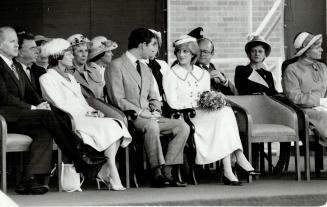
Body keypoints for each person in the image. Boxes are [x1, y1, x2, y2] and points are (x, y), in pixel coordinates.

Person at [0, 26, 103, 195]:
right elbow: (3, 97)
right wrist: (33, 108)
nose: (16, 45)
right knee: (47, 116)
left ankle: (29, 179)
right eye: (11, 41)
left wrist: (41, 103)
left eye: (17, 42)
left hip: (20, 117)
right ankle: (79, 154)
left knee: (44, 131)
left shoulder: (15, 66)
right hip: (5, 117)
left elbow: (31, 93)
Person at [163, 35, 259, 186]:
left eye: (185, 52)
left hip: (203, 113)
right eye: (179, 52)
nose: (181, 55)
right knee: (223, 118)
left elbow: (204, 95)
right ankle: (237, 159)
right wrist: (194, 104)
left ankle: (230, 167)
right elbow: (172, 103)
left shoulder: (202, 73)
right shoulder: (171, 73)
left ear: (193, 54)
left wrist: (212, 101)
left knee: (225, 112)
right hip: (185, 116)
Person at [39, 38, 132, 191]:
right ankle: (111, 171)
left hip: (84, 116)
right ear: (58, 57)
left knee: (116, 124)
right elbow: (58, 105)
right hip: (69, 120)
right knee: (111, 126)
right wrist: (85, 114)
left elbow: (82, 102)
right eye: (68, 54)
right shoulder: (46, 78)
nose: (72, 57)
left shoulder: (70, 77)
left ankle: (106, 170)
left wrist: (92, 111)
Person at [105, 28, 189, 188]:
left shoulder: (145, 68)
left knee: (182, 126)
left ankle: (167, 171)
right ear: (142, 45)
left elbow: (153, 97)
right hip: (131, 117)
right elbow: (117, 99)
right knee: (151, 125)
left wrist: (156, 110)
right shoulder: (115, 66)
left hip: (150, 116)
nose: (154, 49)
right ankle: (155, 172)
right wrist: (142, 112)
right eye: (152, 45)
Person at [234, 35, 288, 174]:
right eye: (254, 51)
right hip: (249, 110)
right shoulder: (241, 70)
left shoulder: (267, 74)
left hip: (266, 110)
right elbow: (242, 89)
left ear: (265, 55)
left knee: (287, 121)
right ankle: (248, 166)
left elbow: (272, 92)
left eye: (260, 51)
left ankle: (281, 163)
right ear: (248, 53)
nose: (257, 54)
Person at [67, 34, 126, 124]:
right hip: (84, 113)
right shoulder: (67, 73)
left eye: (86, 51)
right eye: (80, 51)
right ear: (72, 53)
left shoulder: (94, 71)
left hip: (102, 108)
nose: (84, 55)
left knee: (121, 120)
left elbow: (103, 95)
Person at [283, 32, 327, 147]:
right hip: (304, 112)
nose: (321, 50)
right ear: (307, 51)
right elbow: (295, 98)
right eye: (318, 47)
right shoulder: (292, 69)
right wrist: (320, 101)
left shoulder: (323, 67)